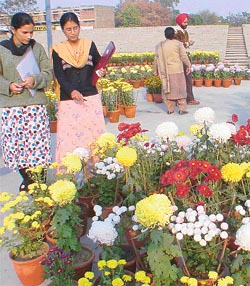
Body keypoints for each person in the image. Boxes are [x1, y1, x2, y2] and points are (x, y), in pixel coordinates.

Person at [0, 12, 53, 191]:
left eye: (31, 32)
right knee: (17, 148)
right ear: (13, 30)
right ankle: (28, 180)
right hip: (11, 108)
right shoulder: (2, 49)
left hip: (34, 105)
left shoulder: (36, 48)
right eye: (24, 32)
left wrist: (34, 80)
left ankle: (40, 181)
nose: (29, 36)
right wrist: (8, 85)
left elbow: (48, 73)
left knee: (38, 148)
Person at [51, 12, 106, 163]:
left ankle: (98, 174)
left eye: (75, 28)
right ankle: (68, 176)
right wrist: (71, 91)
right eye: (68, 29)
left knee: (94, 137)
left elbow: (99, 64)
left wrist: (102, 72)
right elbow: (59, 75)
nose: (73, 32)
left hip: (90, 97)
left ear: (80, 27)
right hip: (69, 100)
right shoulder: (58, 50)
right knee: (69, 140)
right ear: (62, 30)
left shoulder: (89, 44)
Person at [154, 27, 191, 115]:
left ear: (165, 35)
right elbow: (183, 56)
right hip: (177, 70)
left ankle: (170, 109)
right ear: (174, 34)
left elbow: (156, 59)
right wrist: (188, 65)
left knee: (167, 90)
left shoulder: (159, 46)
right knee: (180, 90)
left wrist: (155, 71)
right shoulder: (178, 44)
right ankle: (182, 109)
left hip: (165, 72)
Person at [175, 13, 200, 105]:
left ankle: (186, 97)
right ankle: (187, 98)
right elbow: (178, 45)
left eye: (187, 22)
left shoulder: (184, 32)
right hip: (181, 57)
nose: (186, 24)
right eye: (185, 22)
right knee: (185, 78)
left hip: (185, 55)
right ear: (180, 22)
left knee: (187, 78)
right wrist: (188, 43)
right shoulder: (177, 32)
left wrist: (188, 43)